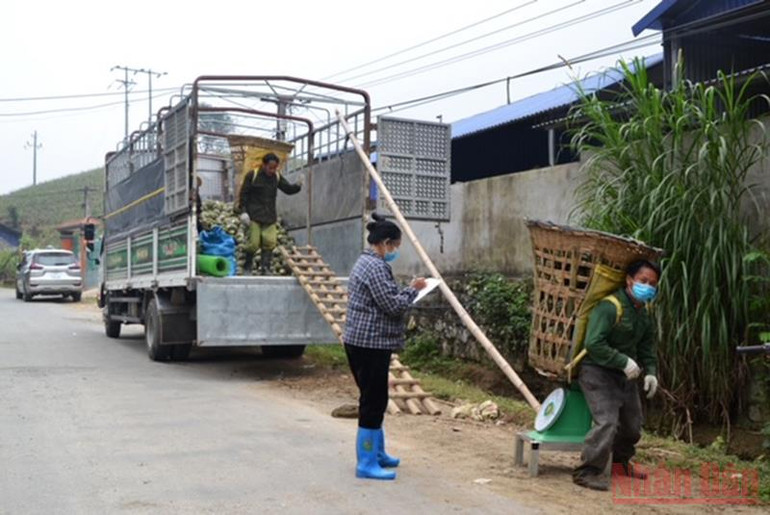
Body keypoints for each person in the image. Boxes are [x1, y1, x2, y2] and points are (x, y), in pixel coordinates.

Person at [343, 213, 427, 480]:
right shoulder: (375, 267)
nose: (395, 252)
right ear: (386, 243)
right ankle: (366, 462)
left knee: (376, 398)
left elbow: (385, 297)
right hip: (369, 344)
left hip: (364, 342)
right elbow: (392, 305)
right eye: (395, 247)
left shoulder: (367, 263)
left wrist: (405, 290)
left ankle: (377, 453)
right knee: (373, 401)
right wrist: (413, 290)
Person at [573, 259, 661, 491]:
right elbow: (593, 343)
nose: (648, 287)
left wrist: (651, 372)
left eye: (652, 284)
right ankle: (587, 471)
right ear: (629, 280)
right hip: (597, 372)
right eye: (643, 281)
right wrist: (622, 361)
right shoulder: (609, 307)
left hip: (625, 375)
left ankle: (620, 464)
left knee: (632, 426)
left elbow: (646, 346)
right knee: (607, 422)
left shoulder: (645, 312)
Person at [237, 153, 303, 274]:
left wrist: (298, 186)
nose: (272, 170)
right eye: (270, 167)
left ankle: (265, 267)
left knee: (270, 242)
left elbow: (287, 189)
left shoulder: (276, 177)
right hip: (254, 215)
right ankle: (247, 265)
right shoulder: (253, 175)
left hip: (269, 216)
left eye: (275, 168)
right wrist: (243, 212)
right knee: (253, 243)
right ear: (264, 165)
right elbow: (243, 194)